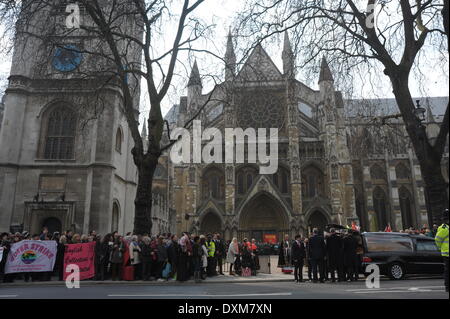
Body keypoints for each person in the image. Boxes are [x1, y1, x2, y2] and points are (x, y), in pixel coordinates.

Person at [435, 209, 449, 293]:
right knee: (447, 271)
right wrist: (441, 248)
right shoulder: (444, 228)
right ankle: (447, 286)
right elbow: (437, 239)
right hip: (447, 253)